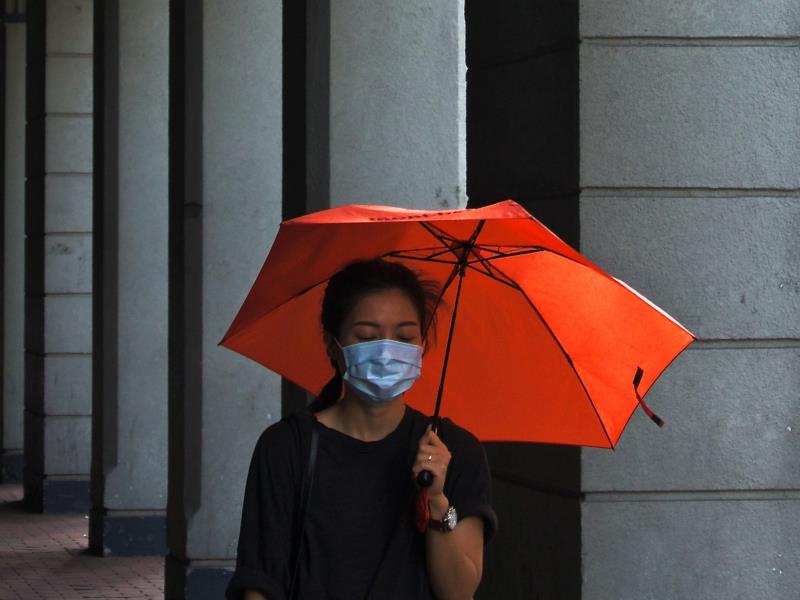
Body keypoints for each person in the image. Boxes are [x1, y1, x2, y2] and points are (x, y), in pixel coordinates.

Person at [225, 258, 497, 600]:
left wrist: (437, 501)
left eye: (404, 336)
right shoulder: (286, 447)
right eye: (367, 336)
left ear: (422, 346)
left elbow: (458, 592)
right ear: (332, 344)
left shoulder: (455, 451)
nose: (386, 351)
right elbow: (260, 582)